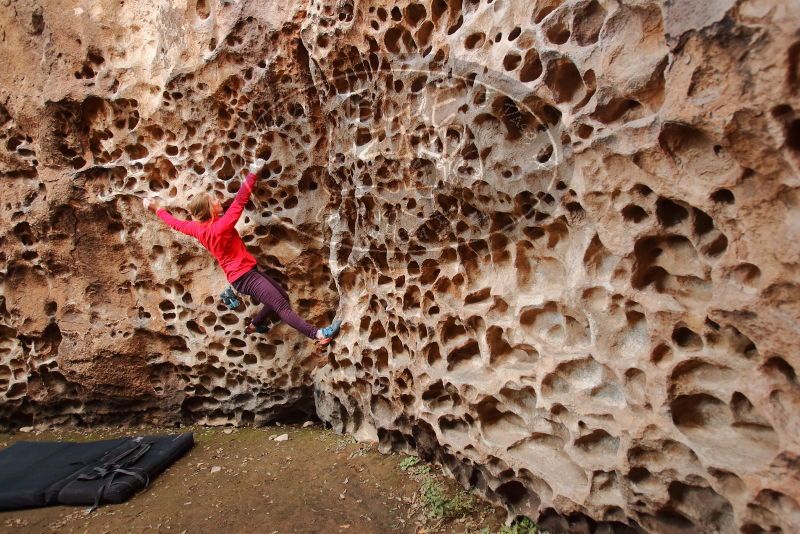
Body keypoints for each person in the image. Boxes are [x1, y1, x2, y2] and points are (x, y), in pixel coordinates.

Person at [143, 159, 341, 345]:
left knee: (280, 296)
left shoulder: (198, 229)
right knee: (281, 306)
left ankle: (254, 325)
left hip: (243, 275)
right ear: (210, 210)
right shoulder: (221, 227)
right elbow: (239, 202)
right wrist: (253, 171)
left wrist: (156, 208)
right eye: (214, 200)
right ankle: (318, 334)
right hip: (245, 277)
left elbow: (175, 224)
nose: (218, 200)